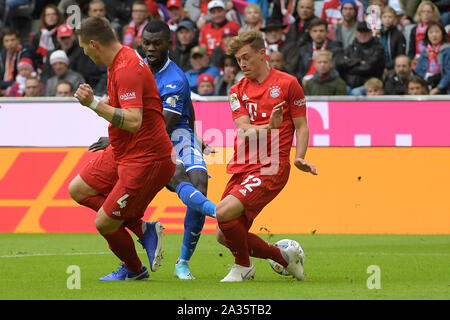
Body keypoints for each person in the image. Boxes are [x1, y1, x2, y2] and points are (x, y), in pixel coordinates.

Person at [88, 20, 217, 279]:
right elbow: (187, 107)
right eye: (146, 43)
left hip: (171, 136)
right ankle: (218, 212)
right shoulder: (134, 68)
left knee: (200, 181)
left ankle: (183, 262)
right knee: (178, 175)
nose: (150, 48)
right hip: (145, 143)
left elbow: (166, 123)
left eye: (157, 43)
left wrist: (193, 137)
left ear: (168, 44)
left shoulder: (175, 78)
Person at [69, 16, 176, 281]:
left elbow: (132, 120)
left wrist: (94, 104)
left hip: (146, 158)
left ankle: (133, 269)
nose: (85, 54)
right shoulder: (119, 60)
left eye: (84, 49)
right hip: (123, 151)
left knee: (104, 223)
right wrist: (105, 102)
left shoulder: (126, 68)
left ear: (94, 44)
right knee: (78, 189)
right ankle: (142, 229)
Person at [215, 30, 317, 282]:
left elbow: (302, 125)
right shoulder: (236, 90)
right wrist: (269, 127)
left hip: (272, 165)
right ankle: (284, 258)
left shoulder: (288, 84)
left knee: (223, 212)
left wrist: (299, 157)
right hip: (242, 165)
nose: (243, 64)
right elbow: (244, 130)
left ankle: (243, 267)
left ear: (263, 53)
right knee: (222, 234)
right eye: (239, 60)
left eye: (247, 57)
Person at [335, 21, 385, 95]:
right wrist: (358, 61)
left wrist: (348, 66)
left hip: (368, 85)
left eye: (366, 32)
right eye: (360, 32)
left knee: (356, 92)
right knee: (341, 89)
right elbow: (339, 63)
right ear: (356, 34)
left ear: (371, 33)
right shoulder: (351, 47)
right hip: (349, 83)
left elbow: (368, 68)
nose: (363, 35)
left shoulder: (378, 48)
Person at [293, 18, 343, 86]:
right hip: (304, 84)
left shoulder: (336, 49)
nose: (318, 34)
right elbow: (298, 71)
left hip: (327, 83)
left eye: (321, 31)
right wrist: (301, 80)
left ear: (327, 32)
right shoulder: (303, 49)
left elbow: (335, 70)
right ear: (310, 33)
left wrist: (313, 80)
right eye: (315, 31)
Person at [414, 22, 450, 95]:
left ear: (442, 34)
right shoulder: (424, 53)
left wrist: (438, 88)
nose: (434, 35)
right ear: (427, 35)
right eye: (431, 32)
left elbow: (448, 73)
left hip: (445, 88)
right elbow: (418, 72)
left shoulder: (448, 51)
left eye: (437, 32)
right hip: (427, 86)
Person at [29, 4, 64, 70]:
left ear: (58, 16)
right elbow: (33, 54)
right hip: (42, 68)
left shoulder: (63, 32)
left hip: (60, 67)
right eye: (48, 15)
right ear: (44, 18)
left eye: (53, 14)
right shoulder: (39, 35)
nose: (51, 17)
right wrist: (38, 67)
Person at [0, 27, 34, 92]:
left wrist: (11, 86)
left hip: (21, 87)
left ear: (18, 40)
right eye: (6, 41)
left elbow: (24, 77)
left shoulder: (25, 54)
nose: (10, 43)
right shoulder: (2, 55)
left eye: (12, 40)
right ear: (3, 43)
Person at [378, 6, 406, 72]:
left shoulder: (399, 35)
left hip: (392, 67)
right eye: (385, 17)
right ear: (381, 19)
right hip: (377, 66)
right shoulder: (376, 34)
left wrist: (388, 67)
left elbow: (400, 54)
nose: (387, 19)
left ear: (394, 19)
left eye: (390, 17)